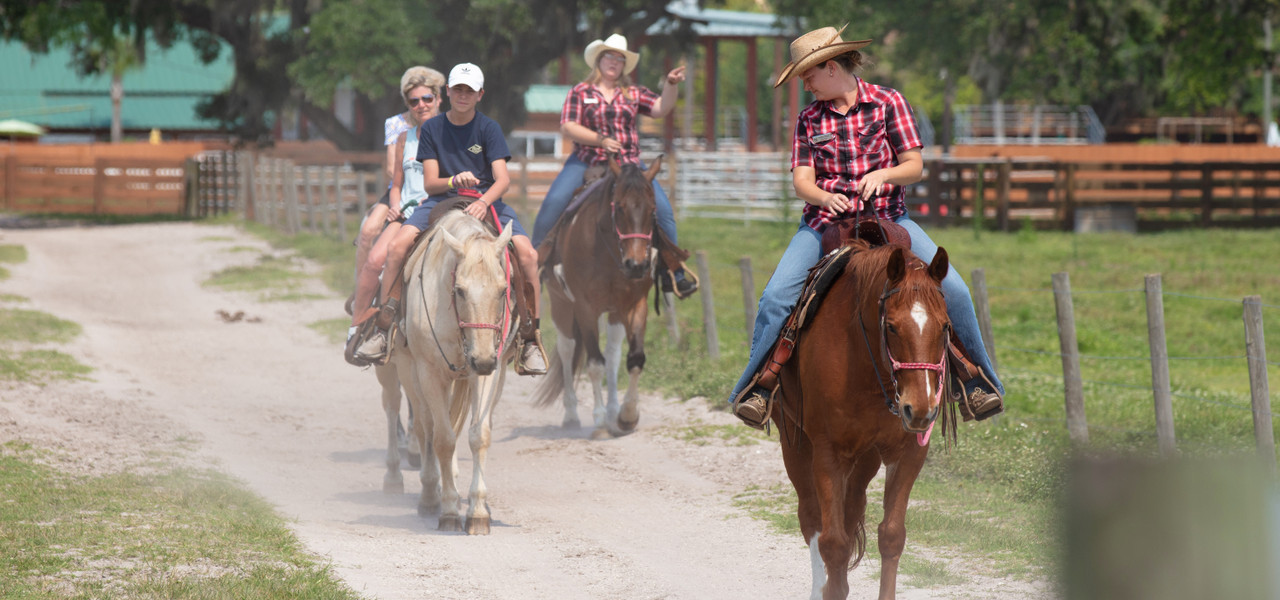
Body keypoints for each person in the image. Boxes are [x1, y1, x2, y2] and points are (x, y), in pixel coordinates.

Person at [729, 25, 1004, 429]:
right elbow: (802, 181)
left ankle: (976, 383)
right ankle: (758, 387)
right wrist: (823, 197)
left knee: (957, 292)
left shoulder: (889, 102)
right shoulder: (808, 118)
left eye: (808, 75)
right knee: (774, 298)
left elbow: (914, 166)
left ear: (830, 67)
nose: (805, 85)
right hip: (823, 224)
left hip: (891, 218)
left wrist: (884, 175)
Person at [359, 63, 548, 376]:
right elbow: (430, 183)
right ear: (447, 92)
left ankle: (530, 338)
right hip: (442, 199)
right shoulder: (433, 129)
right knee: (397, 247)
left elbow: (503, 180)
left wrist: (484, 201)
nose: (463, 95)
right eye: (458, 89)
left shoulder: (489, 128)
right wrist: (454, 181)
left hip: (487, 200)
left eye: (469, 91)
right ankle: (384, 326)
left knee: (528, 255)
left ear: (480, 95)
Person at [531, 33, 697, 298]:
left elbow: (660, 108)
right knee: (555, 201)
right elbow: (568, 126)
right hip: (586, 159)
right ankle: (533, 265)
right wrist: (600, 140)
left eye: (620, 59)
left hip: (629, 164)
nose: (614, 62)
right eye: (609, 56)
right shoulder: (580, 91)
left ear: (624, 66)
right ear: (599, 60)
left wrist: (670, 84)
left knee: (663, 211)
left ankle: (673, 272)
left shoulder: (633, 93)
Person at [345, 67, 443, 363]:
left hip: (435, 206)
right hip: (405, 207)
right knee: (374, 256)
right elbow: (395, 179)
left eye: (427, 98)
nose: (421, 105)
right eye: (414, 101)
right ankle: (359, 324)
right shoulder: (403, 135)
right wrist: (396, 204)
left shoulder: (452, 133)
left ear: (439, 98)